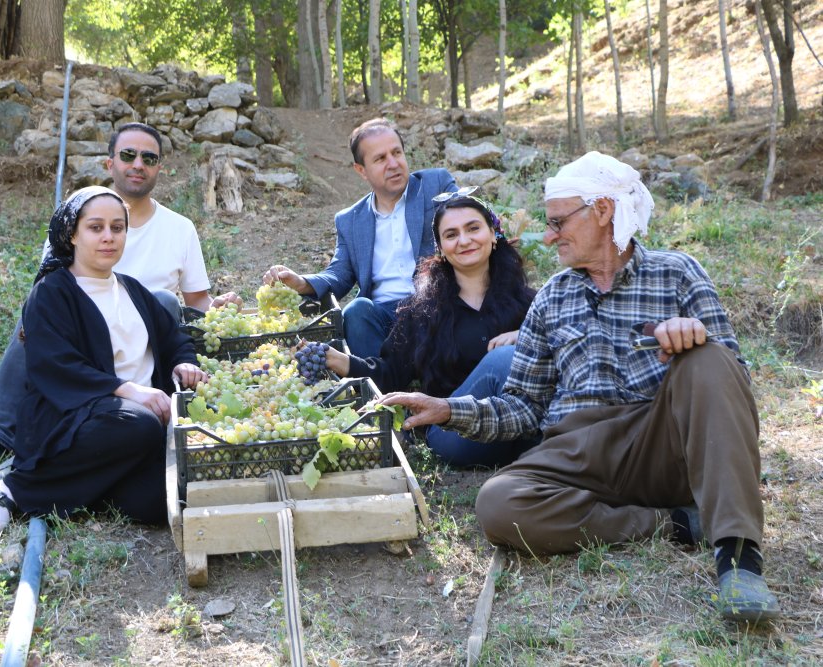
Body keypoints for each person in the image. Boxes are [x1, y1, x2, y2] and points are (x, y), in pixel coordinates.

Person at [380, 152, 781, 623]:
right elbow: (523, 407)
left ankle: (738, 558)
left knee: (710, 357)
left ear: (603, 211)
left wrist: (694, 340)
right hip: (576, 451)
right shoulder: (552, 297)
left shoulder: (678, 272)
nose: (549, 236)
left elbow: (734, 380)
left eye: (558, 222)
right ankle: (673, 523)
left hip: (660, 443)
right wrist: (449, 410)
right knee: (498, 503)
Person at [0, 123, 239, 462]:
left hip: (146, 337)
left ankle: (147, 409)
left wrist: (219, 310)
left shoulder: (179, 229)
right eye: (128, 155)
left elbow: (197, 302)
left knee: (162, 300)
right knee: (34, 315)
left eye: (149, 158)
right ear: (110, 163)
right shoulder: (76, 217)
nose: (138, 164)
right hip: (83, 340)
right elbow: (51, 294)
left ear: (159, 167)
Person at [0, 186, 206, 532]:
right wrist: (127, 391)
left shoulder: (132, 290)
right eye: (96, 228)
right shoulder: (52, 294)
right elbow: (57, 367)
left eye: (117, 228)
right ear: (72, 234)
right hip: (77, 420)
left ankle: (83, 488)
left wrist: (184, 362)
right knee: (138, 424)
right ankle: (11, 490)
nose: (109, 237)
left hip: (141, 430)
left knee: (155, 502)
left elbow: (175, 339)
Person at [310, 191, 537, 466]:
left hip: (518, 425)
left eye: (473, 228)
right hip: (455, 434)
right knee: (503, 359)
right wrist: (339, 361)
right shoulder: (424, 309)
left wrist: (527, 336)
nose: (464, 240)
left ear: (493, 233)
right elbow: (389, 374)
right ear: (440, 248)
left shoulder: (528, 302)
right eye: (451, 234)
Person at [263, 117, 457, 358]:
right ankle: (377, 380)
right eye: (380, 158)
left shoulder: (435, 184)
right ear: (361, 170)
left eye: (397, 153)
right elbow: (339, 274)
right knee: (356, 311)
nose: (393, 163)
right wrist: (302, 282)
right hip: (384, 315)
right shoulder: (350, 220)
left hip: (436, 303)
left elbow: (470, 220)